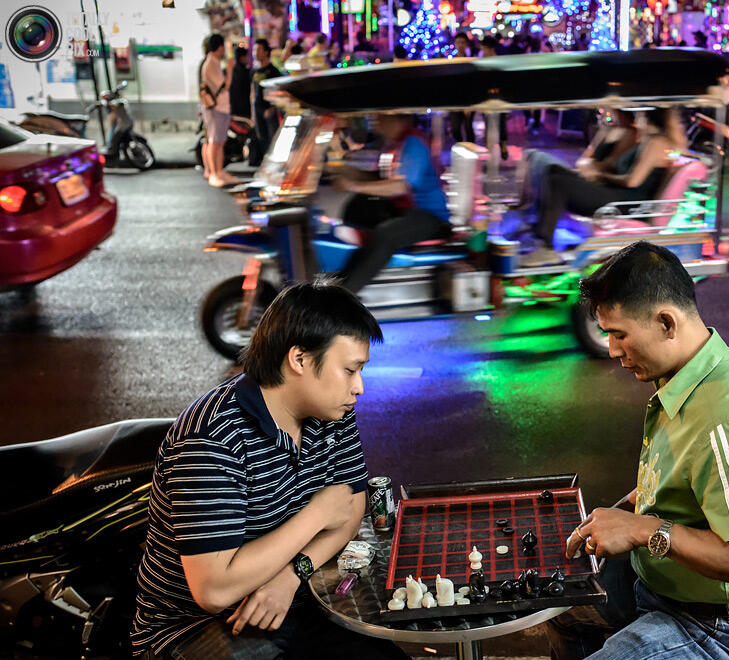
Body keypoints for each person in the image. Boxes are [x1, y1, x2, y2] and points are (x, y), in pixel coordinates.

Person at [131, 281, 409, 660]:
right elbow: (214, 592)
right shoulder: (212, 440)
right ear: (299, 360)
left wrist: (291, 575)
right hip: (194, 629)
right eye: (349, 370)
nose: (358, 387)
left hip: (295, 597)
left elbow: (350, 513)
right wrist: (316, 514)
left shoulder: (333, 412)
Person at [543, 242, 729, 660]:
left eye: (619, 334)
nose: (612, 350)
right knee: (557, 605)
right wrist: (624, 511)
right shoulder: (683, 374)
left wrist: (642, 530)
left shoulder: (725, 419)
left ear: (665, 323)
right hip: (657, 586)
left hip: (716, 627)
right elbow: (686, 483)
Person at [521, 109, 685, 267]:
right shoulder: (650, 139)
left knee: (559, 183)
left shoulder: (657, 142)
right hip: (618, 194)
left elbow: (632, 182)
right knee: (553, 171)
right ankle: (536, 228)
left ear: (647, 114)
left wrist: (601, 177)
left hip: (625, 202)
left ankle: (545, 246)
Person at [333, 114, 452, 293]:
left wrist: (353, 185)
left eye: (380, 118)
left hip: (431, 218)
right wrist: (339, 169)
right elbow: (379, 180)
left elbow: (400, 186)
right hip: (404, 211)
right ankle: (337, 285)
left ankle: (345, 294)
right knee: (357, 215)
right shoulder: (396, 144)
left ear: (396, 119)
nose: (376, 122)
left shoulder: (413, 143)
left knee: (385, 234)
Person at [200, 33, 236, 187]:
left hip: (221, 108)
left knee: (219, 142)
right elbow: (225, 85)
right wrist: (230, 69)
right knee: (215, 142)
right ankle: (214, 173)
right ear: (219, 47)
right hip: (216, 109)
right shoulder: (211, 64)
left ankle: (219, 171)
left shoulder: (212, 62)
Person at [251, 38, 282, 167]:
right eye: (254, 50)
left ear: (265, 52)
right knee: (261, 138)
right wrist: (252, 111)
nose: (255, 53)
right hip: (258, 109)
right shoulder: (254, 72)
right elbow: (252, 92)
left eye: (258, 50)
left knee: (272, 139)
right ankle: (265, 166)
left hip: (270, 111)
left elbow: (280, 92)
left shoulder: (274, 71)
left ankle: (274, 165)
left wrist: (273, 108)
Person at [480, 36, 509, 160]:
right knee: (488, 122)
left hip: (498, 98)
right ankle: (490, 148)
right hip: (486, 98)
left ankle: (502, 145)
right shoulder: (482, 62)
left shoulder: (498, 62)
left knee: (500, 122)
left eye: (484, 49)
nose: (482, 51)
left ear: (489, 49)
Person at [449, 33, 475, 144]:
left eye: (462, 42)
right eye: (458, 42)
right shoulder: (451, 61)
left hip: (469, 100)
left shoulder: (471, 61)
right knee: (455, 128)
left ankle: (470, 149)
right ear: (455, 44)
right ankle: (461, 147)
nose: (460, 45)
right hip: (455, 100)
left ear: (466, 44)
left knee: (468, 128)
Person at [228, 46, 252, 123]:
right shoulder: (247, 72)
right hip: (245, 110)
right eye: (247, 56)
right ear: (242, 58)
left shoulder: (230, 72)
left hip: (233, 109)